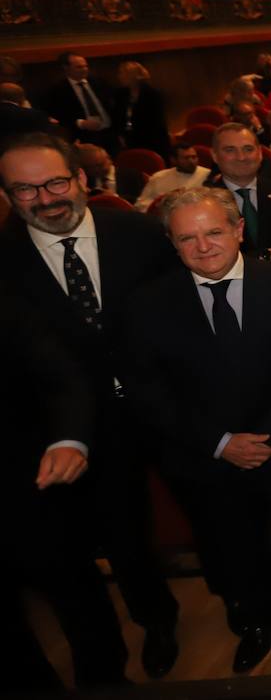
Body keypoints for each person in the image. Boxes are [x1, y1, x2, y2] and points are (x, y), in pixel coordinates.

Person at [122, 187, 271, 673]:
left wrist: (267, 437)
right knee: (235, 545)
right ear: (172, 243)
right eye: (187, 238)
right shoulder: (146, 305)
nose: (203, 247)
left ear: (239, 229)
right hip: (209, 457)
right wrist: (221, 444)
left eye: (214, 232)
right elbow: (150, 391)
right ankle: (260, 618)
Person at [0, 132, 180, 679]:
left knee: (157, 527)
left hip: (158, 409)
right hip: (63, 432)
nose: (46, 197)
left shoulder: (140, 233)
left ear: (81, 180)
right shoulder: (3, 260)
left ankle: (163, 617)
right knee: (94, 542)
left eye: (56, 181)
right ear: (8, 195)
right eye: (25, 189)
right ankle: (130, 640)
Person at [1, 296, 129, 694]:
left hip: (27, 484)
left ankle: (107, 685)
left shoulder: (9, 305)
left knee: (75, 593)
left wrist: (69, 439)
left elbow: (62, 374)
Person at [206, 122, 271, 261]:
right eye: (230, 150)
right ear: (214, 155)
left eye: (248, 149)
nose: (241, 157)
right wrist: (265, 256)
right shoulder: (204, 204)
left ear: (260, 153)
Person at [44, 51, 117, 153]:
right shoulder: (58, 90)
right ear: (66, 68)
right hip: (84, 137)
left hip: (110, 132)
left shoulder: (99, 82)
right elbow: (57, 114)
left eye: (86, 66)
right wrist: (81, 123)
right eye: (79, 67)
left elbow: (114, 105)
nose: (84, 70)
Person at [134, 141, 209, 211]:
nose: (191, 161)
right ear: (173, 160)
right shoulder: (159, 177)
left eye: (194, 157)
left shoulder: (207, 175)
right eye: (186, 158)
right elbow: (141, 204)